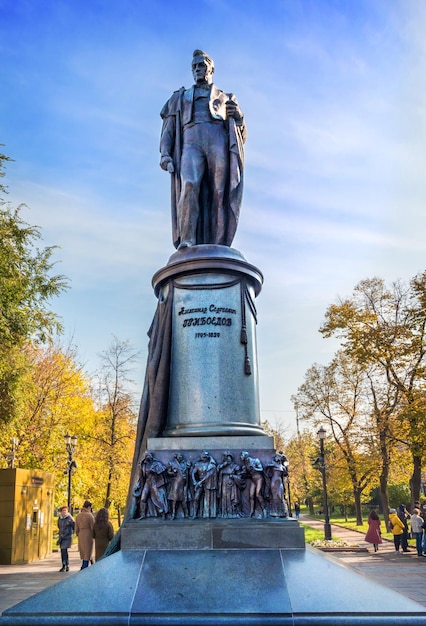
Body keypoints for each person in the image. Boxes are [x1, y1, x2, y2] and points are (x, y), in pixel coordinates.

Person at [160, 49, 246, 250]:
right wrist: (165, 153)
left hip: (218, 141)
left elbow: (241, 136)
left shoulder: (226, 98)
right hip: (191, 142)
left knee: (219, 192)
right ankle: (187, 239)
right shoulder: (180, 97)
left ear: (211, 69)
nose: (198, 69)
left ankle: (219, 244)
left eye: (202, 65)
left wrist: (239, 117)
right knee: (189, 184)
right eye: (195, 66)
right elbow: (168, 129)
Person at [136, 452, 169, 519]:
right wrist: (138, 485)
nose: (148, 457)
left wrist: (155, 472)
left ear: (151, 457)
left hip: (155, 482)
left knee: (158, 498)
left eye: (149, 456)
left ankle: (163, 513)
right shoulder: (144, 465)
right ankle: (143, 514)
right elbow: (141, 477)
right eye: (146, 456)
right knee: (143, 498)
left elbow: (163, 470)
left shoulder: (156, 464)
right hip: (147, 483)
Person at [75, 500, 95, 569]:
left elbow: (76, 527)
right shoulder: (90, 516)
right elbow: (93, 526)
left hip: (81, 534)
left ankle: (86, 563)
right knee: (88, 551)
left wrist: (78, 533)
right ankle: (84, 566)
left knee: (83, 551)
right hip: (88, 534)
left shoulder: (78, 516)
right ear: (89, 507)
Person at [57, 505, 74, 572]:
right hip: (62, 537)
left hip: (67, 537)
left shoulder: (70, 518)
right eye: (63, 510)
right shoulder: (60, 518)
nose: (64, 512)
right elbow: (59, 526)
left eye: (65, 510)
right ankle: (64, 565)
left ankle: (66, 565)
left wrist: (71, 533)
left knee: (64, 550)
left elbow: (73, 526)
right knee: (63, 551)